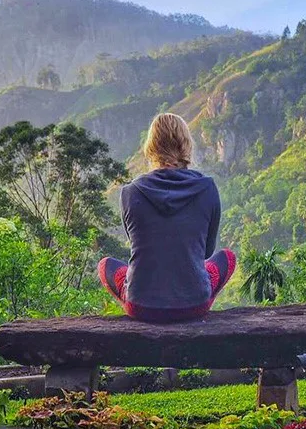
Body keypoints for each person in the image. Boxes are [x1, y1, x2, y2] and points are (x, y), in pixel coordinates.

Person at [98, 113, 235, 322]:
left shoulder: (130, 192)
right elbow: (206, 252)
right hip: (195, 304)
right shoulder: (207, 188)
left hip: (141, 305)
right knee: (227, 258)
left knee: (105, 265)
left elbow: (141, 247)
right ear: (186, 145)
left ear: (151, 147)